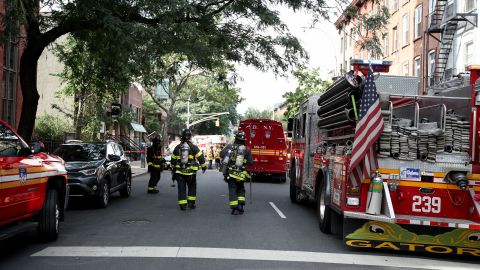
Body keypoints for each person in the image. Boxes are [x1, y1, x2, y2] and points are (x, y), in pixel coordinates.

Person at [171, 129, 206, 210]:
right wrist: (204, 167)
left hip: (180, 172)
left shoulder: (177, 147)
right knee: (192, 187)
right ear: (190, 137)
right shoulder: (193, 147)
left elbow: (173, 160)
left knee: (181, 188)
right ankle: (191, 203)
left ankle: (183, 205)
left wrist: (173, 170)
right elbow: (201, 158)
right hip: (191, 173)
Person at [220, 131, 253, 215]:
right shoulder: (246, 149)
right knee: (241, 189)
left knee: (232, 189)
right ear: (243, 139)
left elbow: (221, 154)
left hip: (231, 173)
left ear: (236, 138)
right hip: (241, 174)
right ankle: (241, 206)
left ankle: (235, 208)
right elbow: (251, 162)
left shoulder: (229, 146)